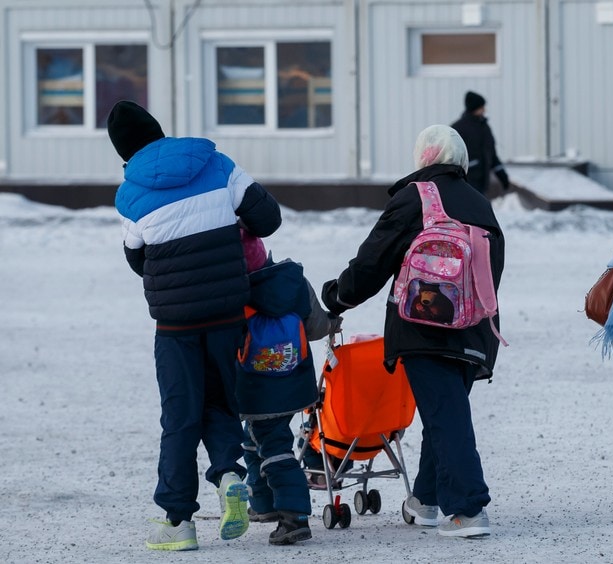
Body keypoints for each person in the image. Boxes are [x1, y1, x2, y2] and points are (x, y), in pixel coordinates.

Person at [108, 100, 282, 551]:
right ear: (160, 132)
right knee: (221, 402)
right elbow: (268, 219)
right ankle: (228, 475)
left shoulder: (129, 193)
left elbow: (139, 260)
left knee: (181, 415)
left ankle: (178, 522)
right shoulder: (217, 163)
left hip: (175, 324)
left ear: (123, 151)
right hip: (228, 312)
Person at [321, 124, 503, 538]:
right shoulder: (480, 204)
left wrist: (337, 298)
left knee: (446, 415)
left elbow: (373, 261)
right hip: (476, 330)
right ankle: (425, 500)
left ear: (423, 158)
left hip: (425, 327)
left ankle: (468, 510)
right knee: (445, 411)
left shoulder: (415, 198)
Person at [236, 232, 335, 545]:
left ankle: (294, 516)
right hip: (293, 384)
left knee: (274, 448)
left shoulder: (232, 292)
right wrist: (333, 324)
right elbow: (316, 327)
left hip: (253, 390)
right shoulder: (292, 280)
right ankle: (263, 504)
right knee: (257, 439)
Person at [451, 91, 510, 196]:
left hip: (483, 181)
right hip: (466, 181)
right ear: (474, 107)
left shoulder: (484, 127)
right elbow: (451, 156)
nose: (484, 110)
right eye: (482, 107)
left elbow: (491, 153)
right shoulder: (458, 128)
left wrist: (501, 174)